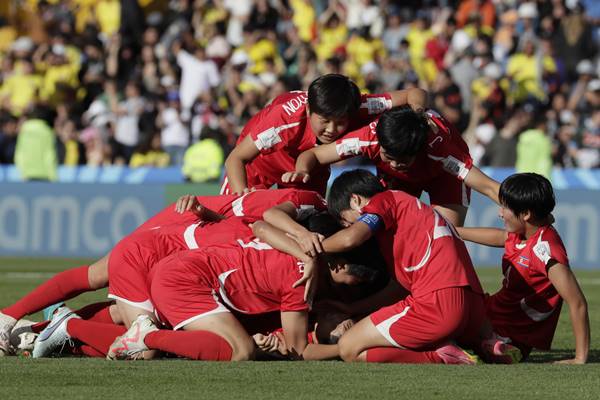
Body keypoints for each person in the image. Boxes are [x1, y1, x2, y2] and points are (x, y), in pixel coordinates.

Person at [0, 189, 326, 355]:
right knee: (139, 333)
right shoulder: (294, 205)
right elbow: (255, 216)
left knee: (124, 312)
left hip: (187, 244)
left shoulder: (276, 225)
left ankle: (44, 328)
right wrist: (203, 210)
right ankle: (32, 321)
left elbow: (250, 222)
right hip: (170, 241)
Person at [316, 169, 486, 364]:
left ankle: (440, 355)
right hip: (472, 309)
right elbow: (398, 289)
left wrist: (310, 248)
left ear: (356, 200)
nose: (347, 226)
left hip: (438, 305)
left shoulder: (385, 200)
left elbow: (349, 239)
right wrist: (352, 308)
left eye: (345, 219)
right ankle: (489, 343)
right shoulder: (408, 219)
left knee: (348, 348)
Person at [285, 106, 500, 226]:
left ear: (419, 150)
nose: (396, 164)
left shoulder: (440, 149)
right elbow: (313, 154)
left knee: (445, 234)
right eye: (388, 156)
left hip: (443, 177)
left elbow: (489, 187)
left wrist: (524, 204)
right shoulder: (369, 137)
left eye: (404, 160)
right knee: (384, 227)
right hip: (399, 182)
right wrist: (302, 170)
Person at [456, 173, 590, 364]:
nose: (500, 213)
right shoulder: (523, 232)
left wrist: (580, 358)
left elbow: (577, 303)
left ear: (526, 214)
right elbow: (501, 237)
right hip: (492, 313)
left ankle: (488, 345)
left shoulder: (546, 251)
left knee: (446, 326)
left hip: (512, 334)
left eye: (505, 207)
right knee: (451, 306)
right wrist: (455, 231)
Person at [222, 73, 428, 196]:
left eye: (340, 123)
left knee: (309, 223)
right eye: (324, 121)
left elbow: (414, 93)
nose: (331, 129)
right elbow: (236, 158)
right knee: (234, 217)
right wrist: (242, 197)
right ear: (310, 110)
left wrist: (419, 114)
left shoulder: (360, 105)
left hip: (310, 170)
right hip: (261, 162)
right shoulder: (283, 119)